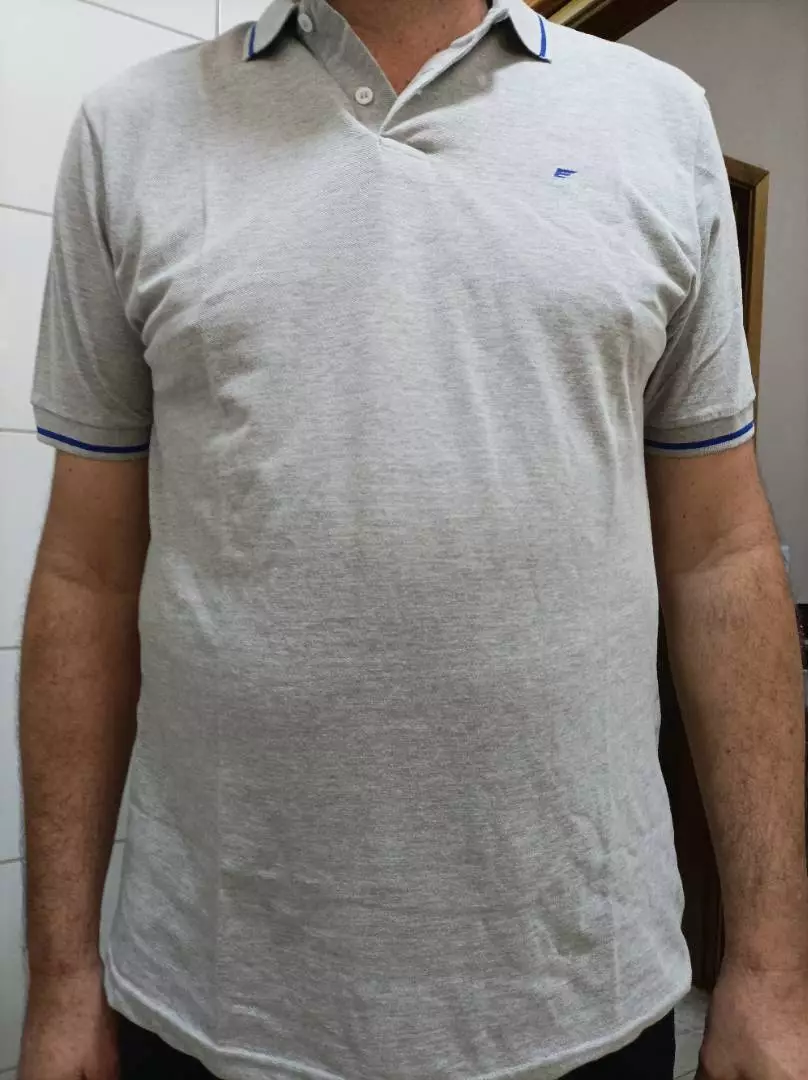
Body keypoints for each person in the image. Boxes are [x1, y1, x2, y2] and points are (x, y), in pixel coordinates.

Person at [17, 0, 808, 1077]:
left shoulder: (659, 120)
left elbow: (722, 555)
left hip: (581, 999)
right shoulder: (129, 130)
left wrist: (771, 966)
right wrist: (61, 976)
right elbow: (85, 576)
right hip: (214, 1003)